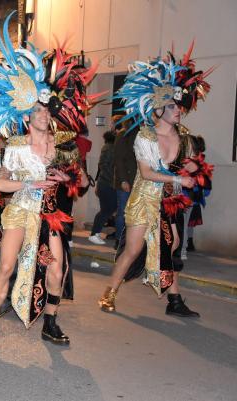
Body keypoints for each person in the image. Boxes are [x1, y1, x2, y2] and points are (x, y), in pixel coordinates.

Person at [0, 14, 90, 346]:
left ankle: (51, 322)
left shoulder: (63, 146)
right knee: (6, 267)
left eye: (47, 111)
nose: (43, 116)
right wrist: (27, 185)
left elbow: (83, 182)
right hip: (19, 212)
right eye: (37, 112)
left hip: (50, 216)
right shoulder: (16, 148)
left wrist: (67, 178)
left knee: (57, 270)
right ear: (27, 118)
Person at [99, 44, 213, 317]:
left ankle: (174, 301)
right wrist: (178, 179)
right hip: (144, 200)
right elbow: (148, 173)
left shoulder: (183, 137)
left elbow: (188, 164)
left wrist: (194, 168)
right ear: (159, 110)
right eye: (172, 106)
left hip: (166, 203)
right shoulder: (146, 137)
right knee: (133, 249)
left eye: (179, 106)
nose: (179, 110)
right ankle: (109, 292)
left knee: (170, 246)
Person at [88, 129, 117, 244]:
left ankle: (95, 233)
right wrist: (113, 180)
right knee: (107, 210)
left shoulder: (108, 147)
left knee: (107, 209)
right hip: (107, 183)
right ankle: (94, 234)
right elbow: (104, 166)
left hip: (106, 183)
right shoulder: (110, 148)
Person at [113, 118, 138, 249]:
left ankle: (131, 241)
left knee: (135, 214)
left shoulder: (141, 134)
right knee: (123, 212)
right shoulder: (123, 135)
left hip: (138, 181)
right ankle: (119, 240)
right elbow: (119, 159)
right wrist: (123, 180)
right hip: (126, 180)